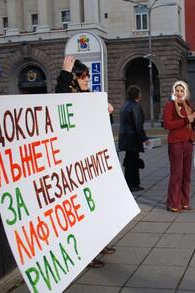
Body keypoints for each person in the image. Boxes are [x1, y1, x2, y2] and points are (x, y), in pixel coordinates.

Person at [55, 55, 115, 268]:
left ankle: (99, 244)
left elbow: (100, 126)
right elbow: (57, 101)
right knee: (82, 212)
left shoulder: (88, 97)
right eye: (82, 76)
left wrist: (107, 113)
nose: (87, 79)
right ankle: (87, 252)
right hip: (75, 166)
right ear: (73, 79)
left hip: (91, 164)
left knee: (96, 207)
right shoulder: (68, 97)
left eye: (88, 76)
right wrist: (64, 73)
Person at [163, 80, 195, 213]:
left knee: (187, 175)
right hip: (176, 143)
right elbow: (167, 124)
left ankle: (184, 202)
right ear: (173, 92)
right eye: (177, 90)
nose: (179, 93)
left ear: (185, 92)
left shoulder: (188, 105)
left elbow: (191, 124)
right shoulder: (170, 106)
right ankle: (173, 203)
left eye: (181, 91)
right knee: (176, 175)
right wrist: (186, 120)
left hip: (188, 143)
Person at [118, 85, 149, 192]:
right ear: (138, 95)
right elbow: (138, 124)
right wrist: (144, 138)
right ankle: (133, 184)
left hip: (125, 138)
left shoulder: (124, 105)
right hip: (133, 139)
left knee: (129, 160)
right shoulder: (135, 106)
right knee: (133, 161)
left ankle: (129, 183)